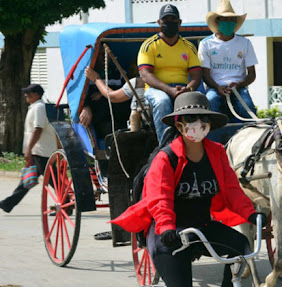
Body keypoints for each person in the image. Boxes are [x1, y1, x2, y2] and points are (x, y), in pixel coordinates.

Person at [110, 92, 266, 287]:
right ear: (179, 125)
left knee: (241, 244)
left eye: (203, 118)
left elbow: (232, 189)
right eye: (191, 118)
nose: (198, 123)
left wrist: (250, 214)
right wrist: (167, 228)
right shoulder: (166, 159)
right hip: (168, 234)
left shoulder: (217, 152)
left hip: (202, 228)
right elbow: (160, 199)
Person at [138, 3, 202, 143]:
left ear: (179, 22)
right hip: (156, 89)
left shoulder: (189, 46)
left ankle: (197, 144)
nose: (169, 23)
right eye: (165, 20)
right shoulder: (149, 45)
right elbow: (146, 75)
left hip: (183, 88)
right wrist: (169, 90)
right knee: (162, 101)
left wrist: (188, 89)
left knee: (201, 101)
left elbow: (196, 76)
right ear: (159, 22)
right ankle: (165, 148)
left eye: (173, 20)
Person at [198, 0, 258, 125]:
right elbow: (205, 74)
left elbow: (252, 74)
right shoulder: (206, 44)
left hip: (239, 88)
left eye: (231, 19)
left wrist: (238, 84)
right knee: (211, 102)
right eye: (225, 19)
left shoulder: (245, 43)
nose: (228, 22)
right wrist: (217, 87)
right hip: (214, 88)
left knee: (247, 106)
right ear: (217, 22)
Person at [0, 84, 58, 213]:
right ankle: (8, 203)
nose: (26, 95)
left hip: (42, 150)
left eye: (29, 93)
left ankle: (68, 202)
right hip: (39, 150)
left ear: (37, 95)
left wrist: (28, 149)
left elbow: (38, 129)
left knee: (52, 180)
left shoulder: (39, 108)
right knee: (29, 179)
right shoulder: (35, 107)